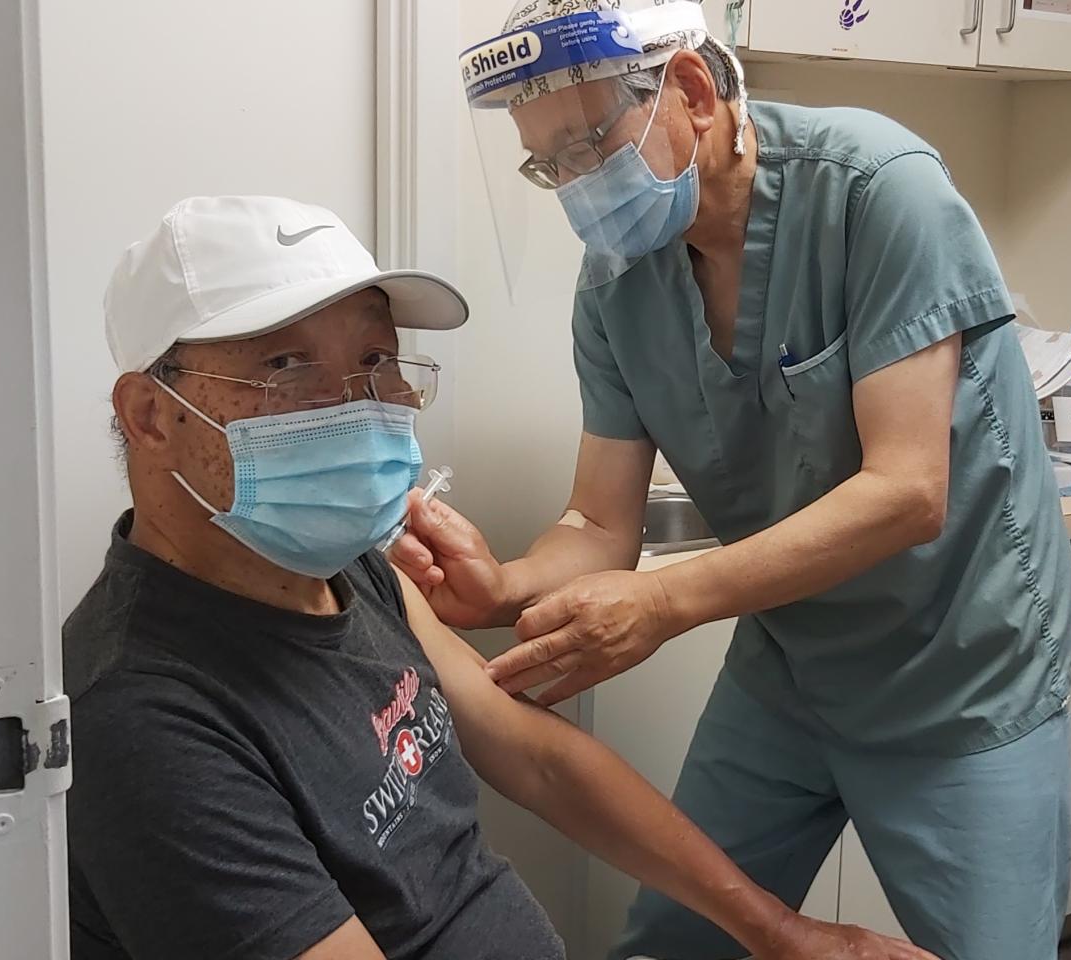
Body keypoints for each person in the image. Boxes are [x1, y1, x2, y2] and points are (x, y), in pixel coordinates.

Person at [66, 194, 937, 960]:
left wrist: (784, 935)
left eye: (376, 362)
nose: (357, 405)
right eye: (286, 368)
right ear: (150, 414)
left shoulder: (349, 573)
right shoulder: (149, 717)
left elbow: (537, 758)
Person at [398, 4, 1071, 958]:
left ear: (690, 91)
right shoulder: (616, 285)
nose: (579, 187)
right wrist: (505, 586)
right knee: (678, 938)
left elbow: (907, 489)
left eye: (592, 142)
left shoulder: (879, 191)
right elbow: (599, 521)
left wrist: (663, 603)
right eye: (549, 164)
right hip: (792, 666)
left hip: (958, 666)